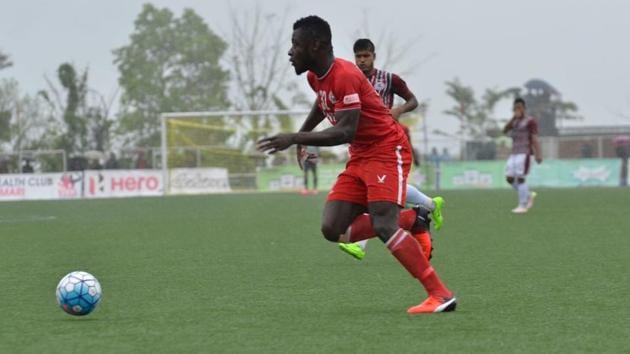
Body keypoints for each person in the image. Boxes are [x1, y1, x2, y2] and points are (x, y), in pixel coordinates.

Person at [257, 16, 455, 313]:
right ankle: (412, 219)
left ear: (315, 46)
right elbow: (323, 104)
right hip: (361, 155)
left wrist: (295, 136)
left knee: (383, 225)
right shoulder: (315, 77)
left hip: (388, 149)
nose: (290, 51)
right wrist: (303, 139)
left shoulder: (346, 75)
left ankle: (440, 295)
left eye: (295, 45)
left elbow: (344, 131)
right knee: (331, 227)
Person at [338, 39, 445, 260]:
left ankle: (360, 244)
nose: (362, 60)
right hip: (361, 145)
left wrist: (399, 109)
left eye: (366, 56)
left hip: (384, 143)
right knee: (390, 190)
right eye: (358, 56)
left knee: (374, 192)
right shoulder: (350, 80)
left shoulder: (388, 80)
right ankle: (429, 204)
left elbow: (413, 101)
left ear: (373, 56)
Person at [503, 98, 543, 213]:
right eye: (515, 108)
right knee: (509, 178)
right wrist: (513, 117)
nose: (517, 109)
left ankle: (523, 206)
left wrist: (538, 154)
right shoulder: (514, 122)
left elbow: (535, 138)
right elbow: (505, 130)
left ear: (524, 108)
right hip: (514, 153)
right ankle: (529, 195)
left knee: (520, 179)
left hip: (525, 153)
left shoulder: (530, 121)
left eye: (519, 107)